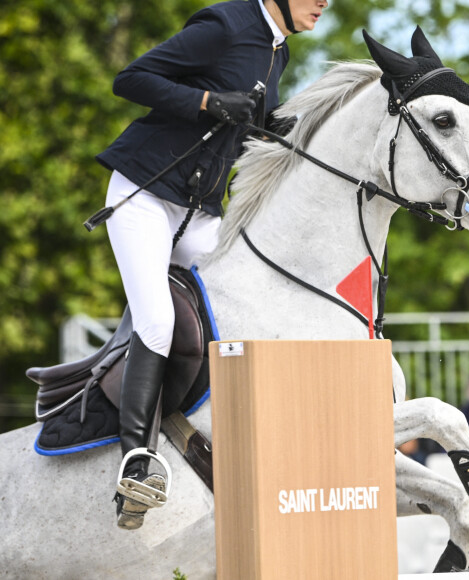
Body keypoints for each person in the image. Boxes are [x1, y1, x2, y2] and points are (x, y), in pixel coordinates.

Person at [96, 0, 329, 530]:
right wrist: (206, 101)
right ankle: (138, 459)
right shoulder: (225, 25)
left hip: (198, 210)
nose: (323, 3)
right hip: (145, 193)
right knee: (157, 319)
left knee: (245, 298)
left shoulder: (279, 50)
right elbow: (131, 79)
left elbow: (243, 130)